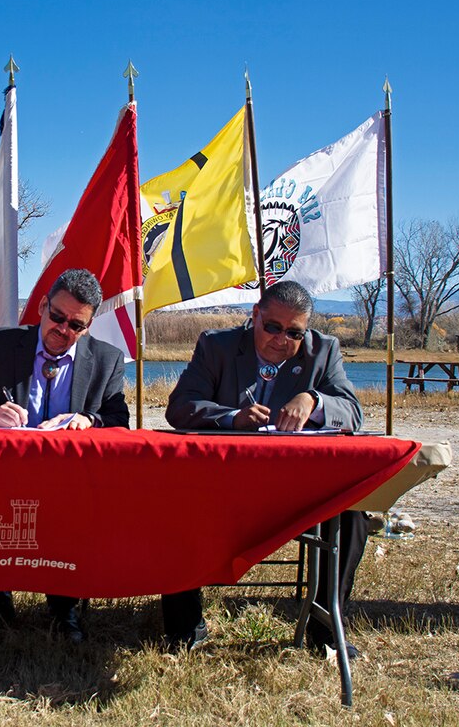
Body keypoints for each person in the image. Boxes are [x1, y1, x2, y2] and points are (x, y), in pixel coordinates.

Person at [163, 280, 365, 657]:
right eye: (272, 327)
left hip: (296, 492)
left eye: (293, 333)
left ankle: (324, 631)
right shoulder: (216, 345)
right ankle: (184, 626)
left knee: (352, 514)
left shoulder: (324, 351)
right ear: (254, 316)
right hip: (223, 487)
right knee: (175, 502)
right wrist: (231, 417)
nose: (280, 339)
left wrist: (314, 400)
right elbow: (180, 408)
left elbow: (353, 412)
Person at [0, 268, 129, 643]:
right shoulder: (1, 344)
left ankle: (62, 607)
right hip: (3, 476)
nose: (63, 329)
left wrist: (88, 419)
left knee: (78, 513)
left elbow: (118, 420)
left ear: (89, 325)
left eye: (76, 325)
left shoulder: (107, 359)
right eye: (58, 317)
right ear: (43, 306)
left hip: (71, 481)